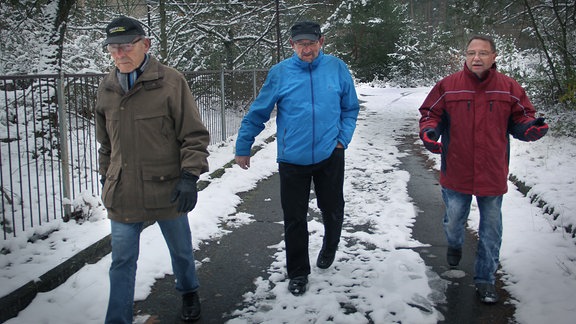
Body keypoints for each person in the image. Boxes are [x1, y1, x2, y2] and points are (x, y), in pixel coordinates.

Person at [95, 16, 210, 323]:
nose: (120, 54)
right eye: (113, 48)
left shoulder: (171, 82)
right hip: (122, 191)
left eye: (127, 46)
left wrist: (189, 177)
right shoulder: (106, 88)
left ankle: (188, 292)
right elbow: (105, 143)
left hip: (167, 186)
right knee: (121, 261)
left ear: (145, 44)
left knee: (181, 251)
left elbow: (194, 135)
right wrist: (107, 176)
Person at [418, 35, 549, 304]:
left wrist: (530, 127)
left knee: (491, 227)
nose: (476, 57)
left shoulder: (508, 87)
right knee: (454, 221)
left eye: (483, 53)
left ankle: (485, 279)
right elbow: (431, 114)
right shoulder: (448, 86)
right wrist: (430, 132)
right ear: (465, 56)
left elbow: (521, 117)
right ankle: (454, 244)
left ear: (494, 57)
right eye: (471, 52)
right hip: (457, 169)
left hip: (491, 170)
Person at [234, 20, 359, 296]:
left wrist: (342, 139)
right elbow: (259, 111)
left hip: (330, 154)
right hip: (292, 158)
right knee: (294, 217)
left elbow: (350, 108)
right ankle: (298, 272)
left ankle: (329, 246)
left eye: (311, 43)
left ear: (321, 42)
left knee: (333, 208)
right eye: (301, 43)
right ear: (292, 45)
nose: (307, 48)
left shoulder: (336, 68)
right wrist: (244, 145)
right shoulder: (280, 73)